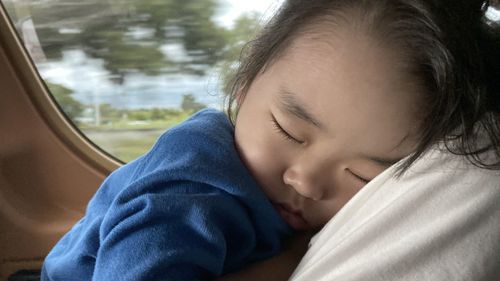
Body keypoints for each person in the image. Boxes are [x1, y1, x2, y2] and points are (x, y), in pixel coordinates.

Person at [42, 0, 500, 280]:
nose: (306, 180)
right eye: (289, 131)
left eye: (362, 175)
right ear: (243, 87)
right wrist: (289, 262)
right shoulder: (185, 192)